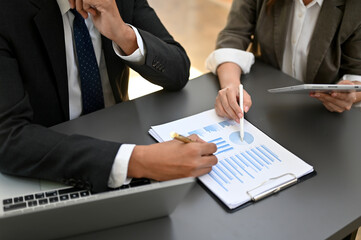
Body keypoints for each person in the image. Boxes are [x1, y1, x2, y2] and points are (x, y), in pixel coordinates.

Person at [0, 0, 218, 193]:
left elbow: (178, 71)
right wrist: (138, 161)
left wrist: (124, 34)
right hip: (54, 159)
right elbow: (8, 138)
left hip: (122, 134)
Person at [206, 0, 361, 123]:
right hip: (267, 105)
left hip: (323, 119)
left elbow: (357, 73)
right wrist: (231, 86)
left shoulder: (354, 8)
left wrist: (351, 95)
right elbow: (234, 35)